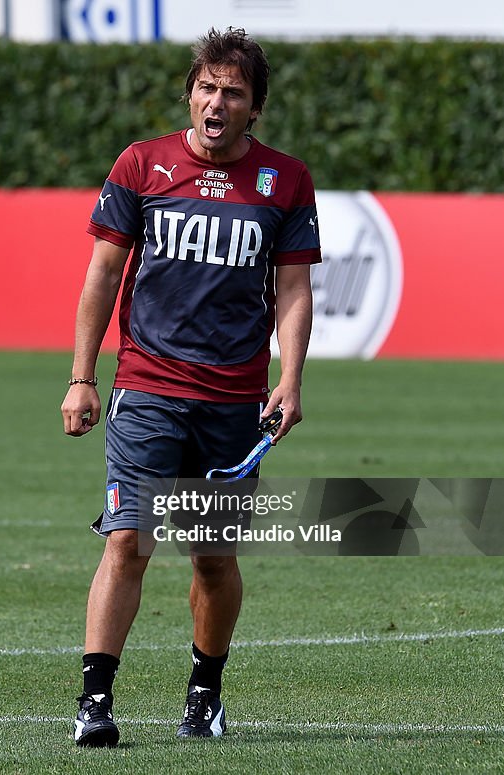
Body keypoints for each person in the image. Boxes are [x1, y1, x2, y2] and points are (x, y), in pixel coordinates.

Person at [60, 27, 321, 747]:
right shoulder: (141, 165)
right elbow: (103, 275)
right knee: (128, 543)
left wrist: (290, 379)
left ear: (254, 109)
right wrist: (82, 378)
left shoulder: (285, 180)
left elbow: (294, 289)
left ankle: (204, 695)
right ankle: (95, 700)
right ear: (190, 94)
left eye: (232, 92)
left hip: (235, 403)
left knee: (212, 556)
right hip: (145, 390)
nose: (216, 101)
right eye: (206, 87)